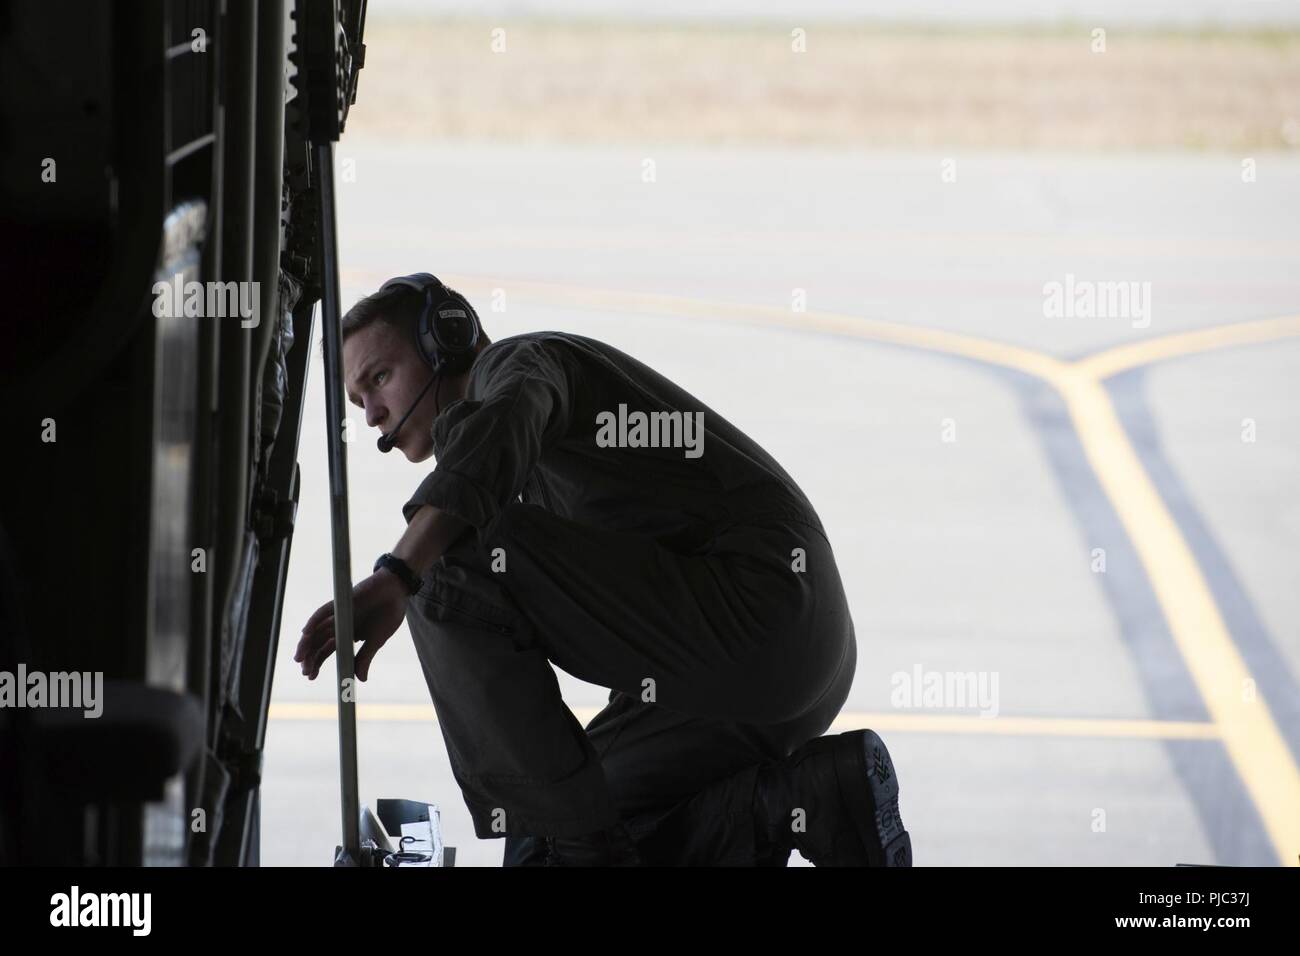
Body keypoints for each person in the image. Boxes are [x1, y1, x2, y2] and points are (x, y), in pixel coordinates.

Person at [293, 273, 913, 867]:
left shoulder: (519, 364)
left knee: (449, 577)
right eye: (358, 399)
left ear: (445, 339)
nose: (372, 411)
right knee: (562, 829)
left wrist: (400, 574)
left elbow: (503, 425)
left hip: (763, 608)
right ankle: (807, 798)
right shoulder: (518, 473)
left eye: (380, 377)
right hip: (765, 677)